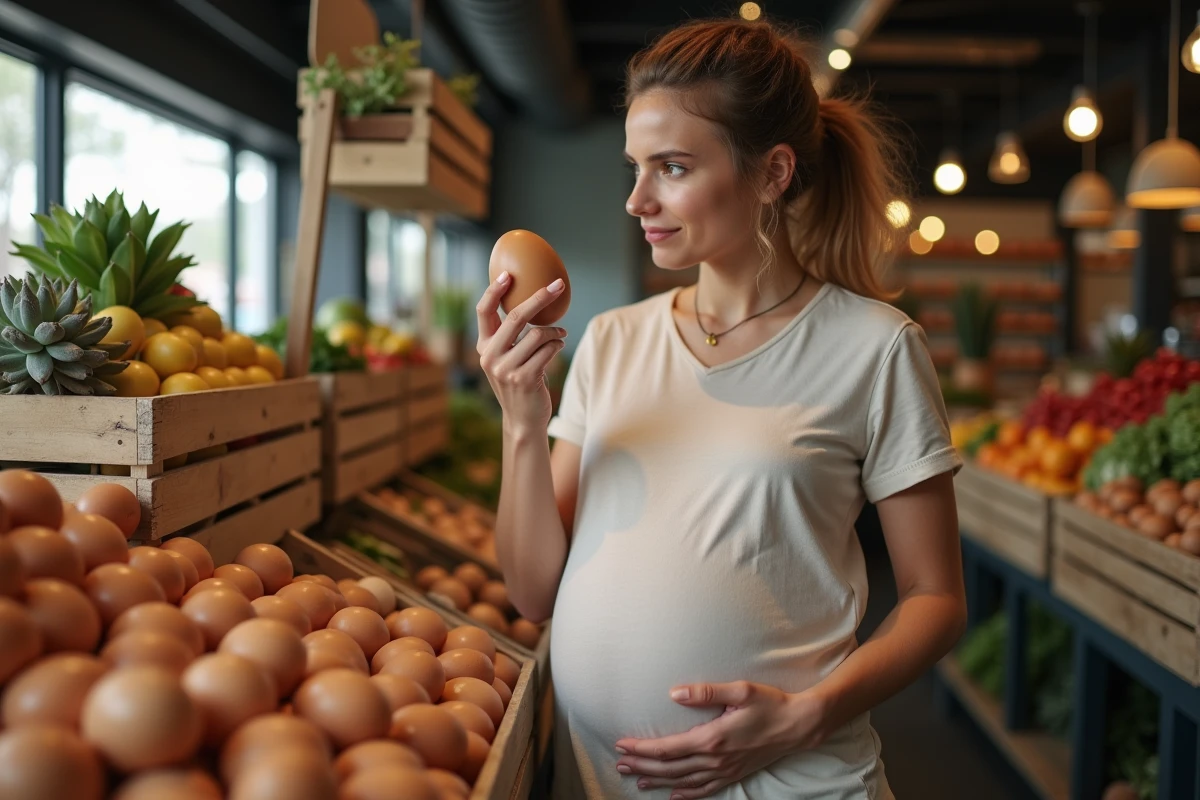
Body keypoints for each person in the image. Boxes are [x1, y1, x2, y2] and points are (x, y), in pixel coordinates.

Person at [474, 16, 967, 800]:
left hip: (790, 782)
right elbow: (533, 592)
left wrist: (806, 716)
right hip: (603, 781)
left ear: (772, 173)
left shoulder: (875, 348)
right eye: (635, 168)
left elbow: (936, 600)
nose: (637, 200)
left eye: (672, 167)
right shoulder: (612, 341)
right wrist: (522, 421)